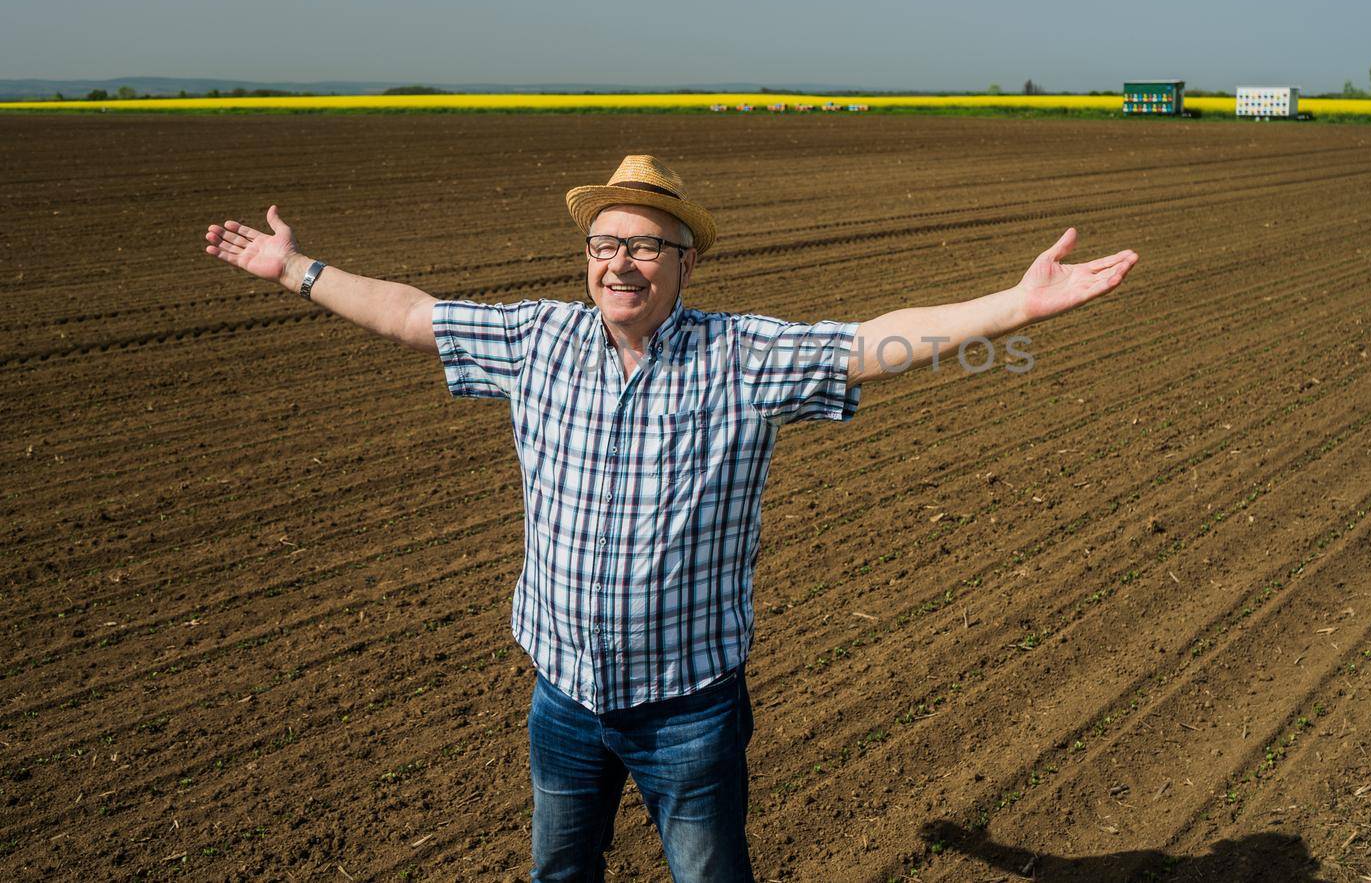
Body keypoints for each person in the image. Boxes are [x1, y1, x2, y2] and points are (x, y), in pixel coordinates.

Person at [203, 154, 1138, 882]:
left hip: (689, 708)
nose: (622, 261)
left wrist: (1018, 305)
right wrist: (295, 268)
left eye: (646, 245)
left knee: (707, 873)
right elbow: (410, 313)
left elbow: (874, 343)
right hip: (563, 695)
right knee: (560, 869)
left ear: (684, 261)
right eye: (606, 244)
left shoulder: (742, 353)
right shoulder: (537, 340)